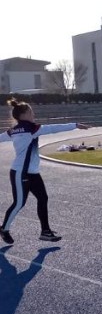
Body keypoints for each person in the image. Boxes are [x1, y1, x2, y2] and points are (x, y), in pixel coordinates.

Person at [0, 99, 90, 245]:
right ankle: (4, 229)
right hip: (20, 173)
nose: (33, 114)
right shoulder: (32, 129)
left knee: (42, 198)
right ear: (23, 115)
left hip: (32, 173)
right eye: (30, 112)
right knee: (19, 203)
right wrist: (75, 125)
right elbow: (54, 128)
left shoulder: (14, 130)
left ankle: (45, 231)